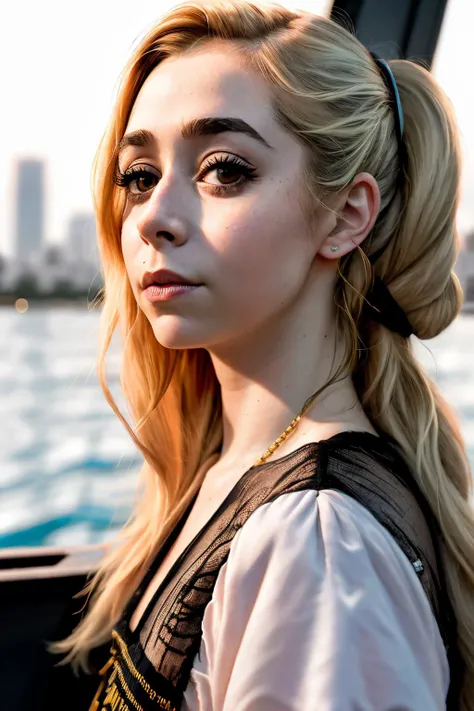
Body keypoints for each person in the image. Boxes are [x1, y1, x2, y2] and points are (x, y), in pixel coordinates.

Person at [48, 1, 474, 709]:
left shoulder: (321, 547)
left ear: (344, 215)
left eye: (222, 168)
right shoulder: (224, 474)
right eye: (139, 175)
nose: (153, 215)